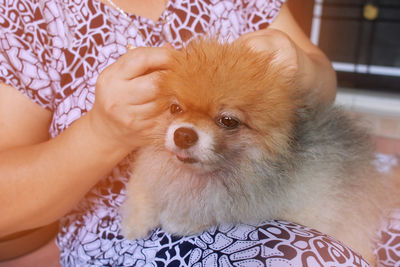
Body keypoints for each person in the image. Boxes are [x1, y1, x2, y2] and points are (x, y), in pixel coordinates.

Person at [0, 0, 396, 265]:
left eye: (225, 119)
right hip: (127, 234)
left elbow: (320, 85)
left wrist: (302, 70)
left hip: (272, 192)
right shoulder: (32, 16)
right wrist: (102, 133)